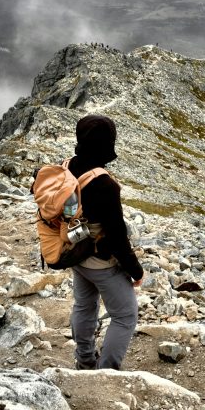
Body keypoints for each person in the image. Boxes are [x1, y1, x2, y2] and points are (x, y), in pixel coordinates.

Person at [67, 114, 144, 370]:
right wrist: (135, 270)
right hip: (101, 261)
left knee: (84, 306)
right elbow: (116, 235)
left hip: (75, 252)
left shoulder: (67, 166)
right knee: (125, 316)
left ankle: (85, 360)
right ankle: (106, 373)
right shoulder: (104, 184)